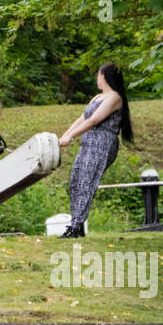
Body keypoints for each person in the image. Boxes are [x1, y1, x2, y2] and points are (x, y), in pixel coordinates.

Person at [57, 63, 134, 238]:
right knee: (76, 180)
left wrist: (71, 137)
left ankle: (75, 226)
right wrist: (64, 136)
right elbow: (82, 119)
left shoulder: (115, 98)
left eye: (98, 74)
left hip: (102, 143)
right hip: (88, 143)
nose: (97, 78)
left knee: (86, 181)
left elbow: (94, 121)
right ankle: (77, 223)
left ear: (104, 76)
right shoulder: (98, 98)